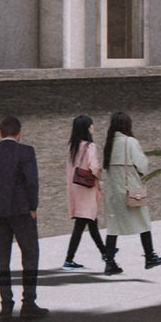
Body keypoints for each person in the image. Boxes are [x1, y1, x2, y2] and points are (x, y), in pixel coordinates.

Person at [0, 116, 45, 320]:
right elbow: (32, 181)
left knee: (3, 258)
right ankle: (29, 303)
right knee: (30, 255)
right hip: (22, 210)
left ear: (0, 133)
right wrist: (33, 206)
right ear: (19, 132)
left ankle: (6, 304)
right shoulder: (26, 152)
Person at [99, 112, 161, 274]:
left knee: (113, 228)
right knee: (143, 221)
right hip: (131, 191)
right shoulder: (130, 142)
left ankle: (109, 263)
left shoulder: (109, 144)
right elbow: (142, 164)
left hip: (114, 193)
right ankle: (150, 257)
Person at [61, 115, 108, 270]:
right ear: (87, 128)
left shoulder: (71, 147)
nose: (93, 128)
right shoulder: (90, 146)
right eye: (91, 126)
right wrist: (100, 173)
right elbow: (94, 167)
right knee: (82, 224)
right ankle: (69, 260)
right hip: (87, 190)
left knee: (91, 222)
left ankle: (105, 253)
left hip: (76, 190)